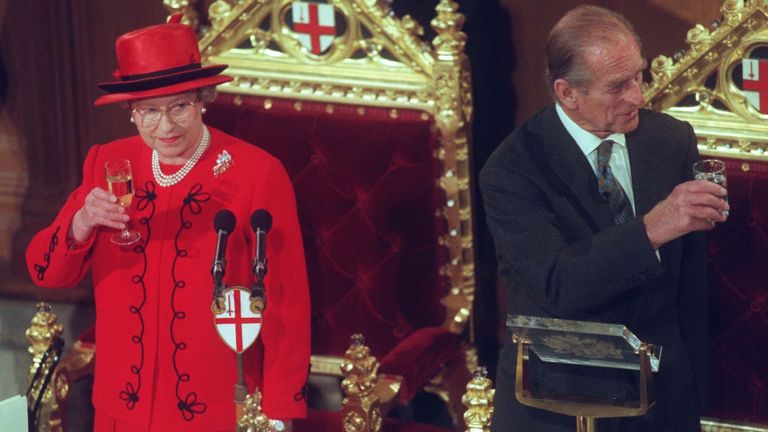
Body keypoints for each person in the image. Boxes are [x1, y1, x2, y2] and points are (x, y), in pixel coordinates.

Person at [25, 16, 310, 432]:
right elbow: (45, 272)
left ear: (202, 100)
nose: (166, 126)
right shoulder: (107, 163)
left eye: (179, 106)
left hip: (216, 409)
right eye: (149, 112)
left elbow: (287, 301)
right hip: (122, 409)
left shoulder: (257, 172)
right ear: (131, 112)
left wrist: (278, 414)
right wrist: (82, 222)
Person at [480, 5, 728, 432]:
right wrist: (652, 228)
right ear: (567, 92)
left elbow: (689, 286)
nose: (639, 95)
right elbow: (556, 284)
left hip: (662, 399)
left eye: (639, 75)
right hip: (558, 399)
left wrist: (694, 392)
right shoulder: (512, 170)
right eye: (618, 86)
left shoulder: (671, 140)